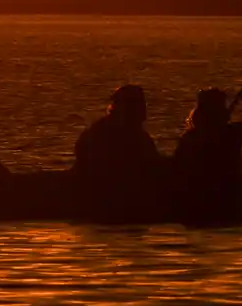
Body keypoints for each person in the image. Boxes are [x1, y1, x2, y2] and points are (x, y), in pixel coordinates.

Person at [172, 62, 242, 223]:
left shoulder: (189, 138)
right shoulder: (229, 135)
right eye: (221, 107)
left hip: (202, 202)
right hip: (226, 200)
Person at [72, 84, 169, 221]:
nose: (143, 110)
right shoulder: (103, 132)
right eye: (138, 105)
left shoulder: (137, 135)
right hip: (105, 194)